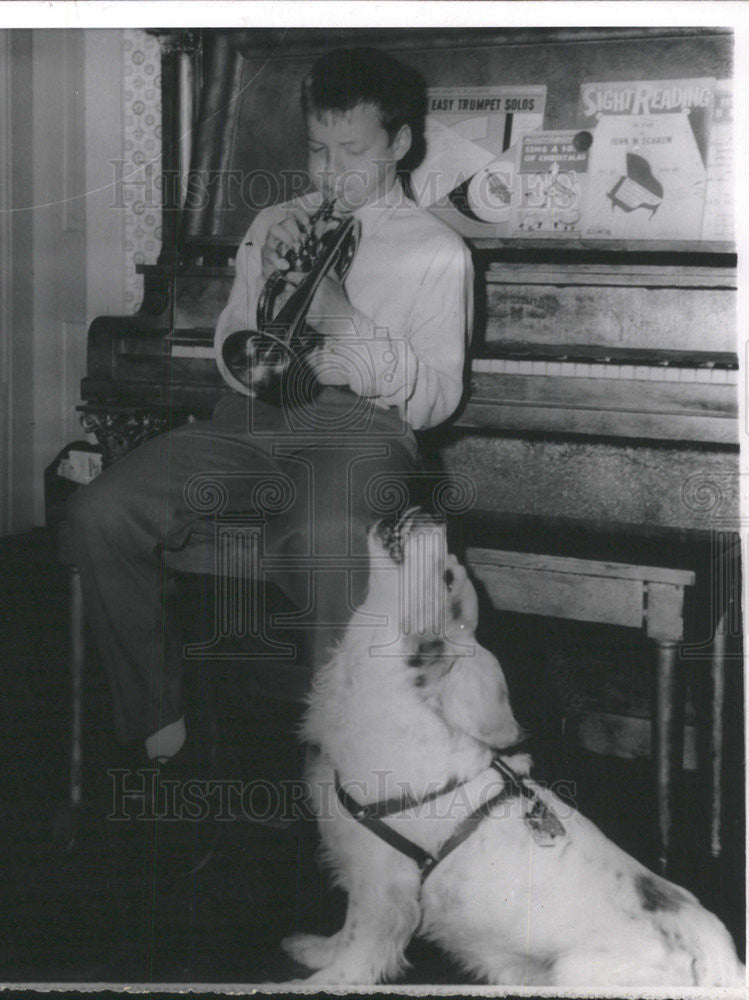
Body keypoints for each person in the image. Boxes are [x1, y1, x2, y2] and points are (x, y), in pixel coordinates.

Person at [68, 47, 474, 770]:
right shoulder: (274, 221)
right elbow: (234, 344)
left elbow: (437, 398)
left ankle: (346, 757)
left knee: (325, 535)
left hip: (362, 430)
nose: (328, 171)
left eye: (352, 150)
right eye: (317, 150)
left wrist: (341, 316)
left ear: (400, 145)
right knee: (102, 508)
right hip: (250, 421)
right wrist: (267, 295)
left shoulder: (435, 249)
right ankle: (157, 715)